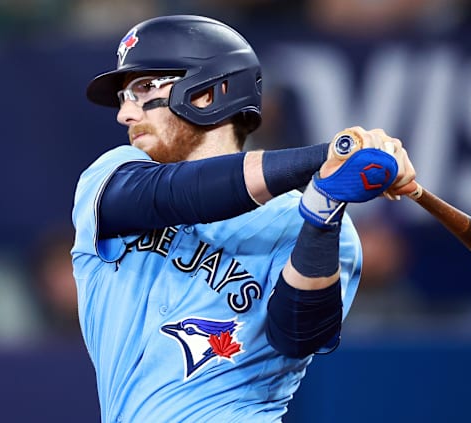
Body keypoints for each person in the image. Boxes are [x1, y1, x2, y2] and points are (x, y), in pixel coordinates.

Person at [71, 15, 417, 422]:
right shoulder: (111, 178)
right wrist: (327, 155)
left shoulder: (300, 221)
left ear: (207, 93)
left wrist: (324, 210)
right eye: (123, 98)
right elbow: (179, 194)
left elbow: (299, 335)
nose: (124, 115)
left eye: (144, 88)